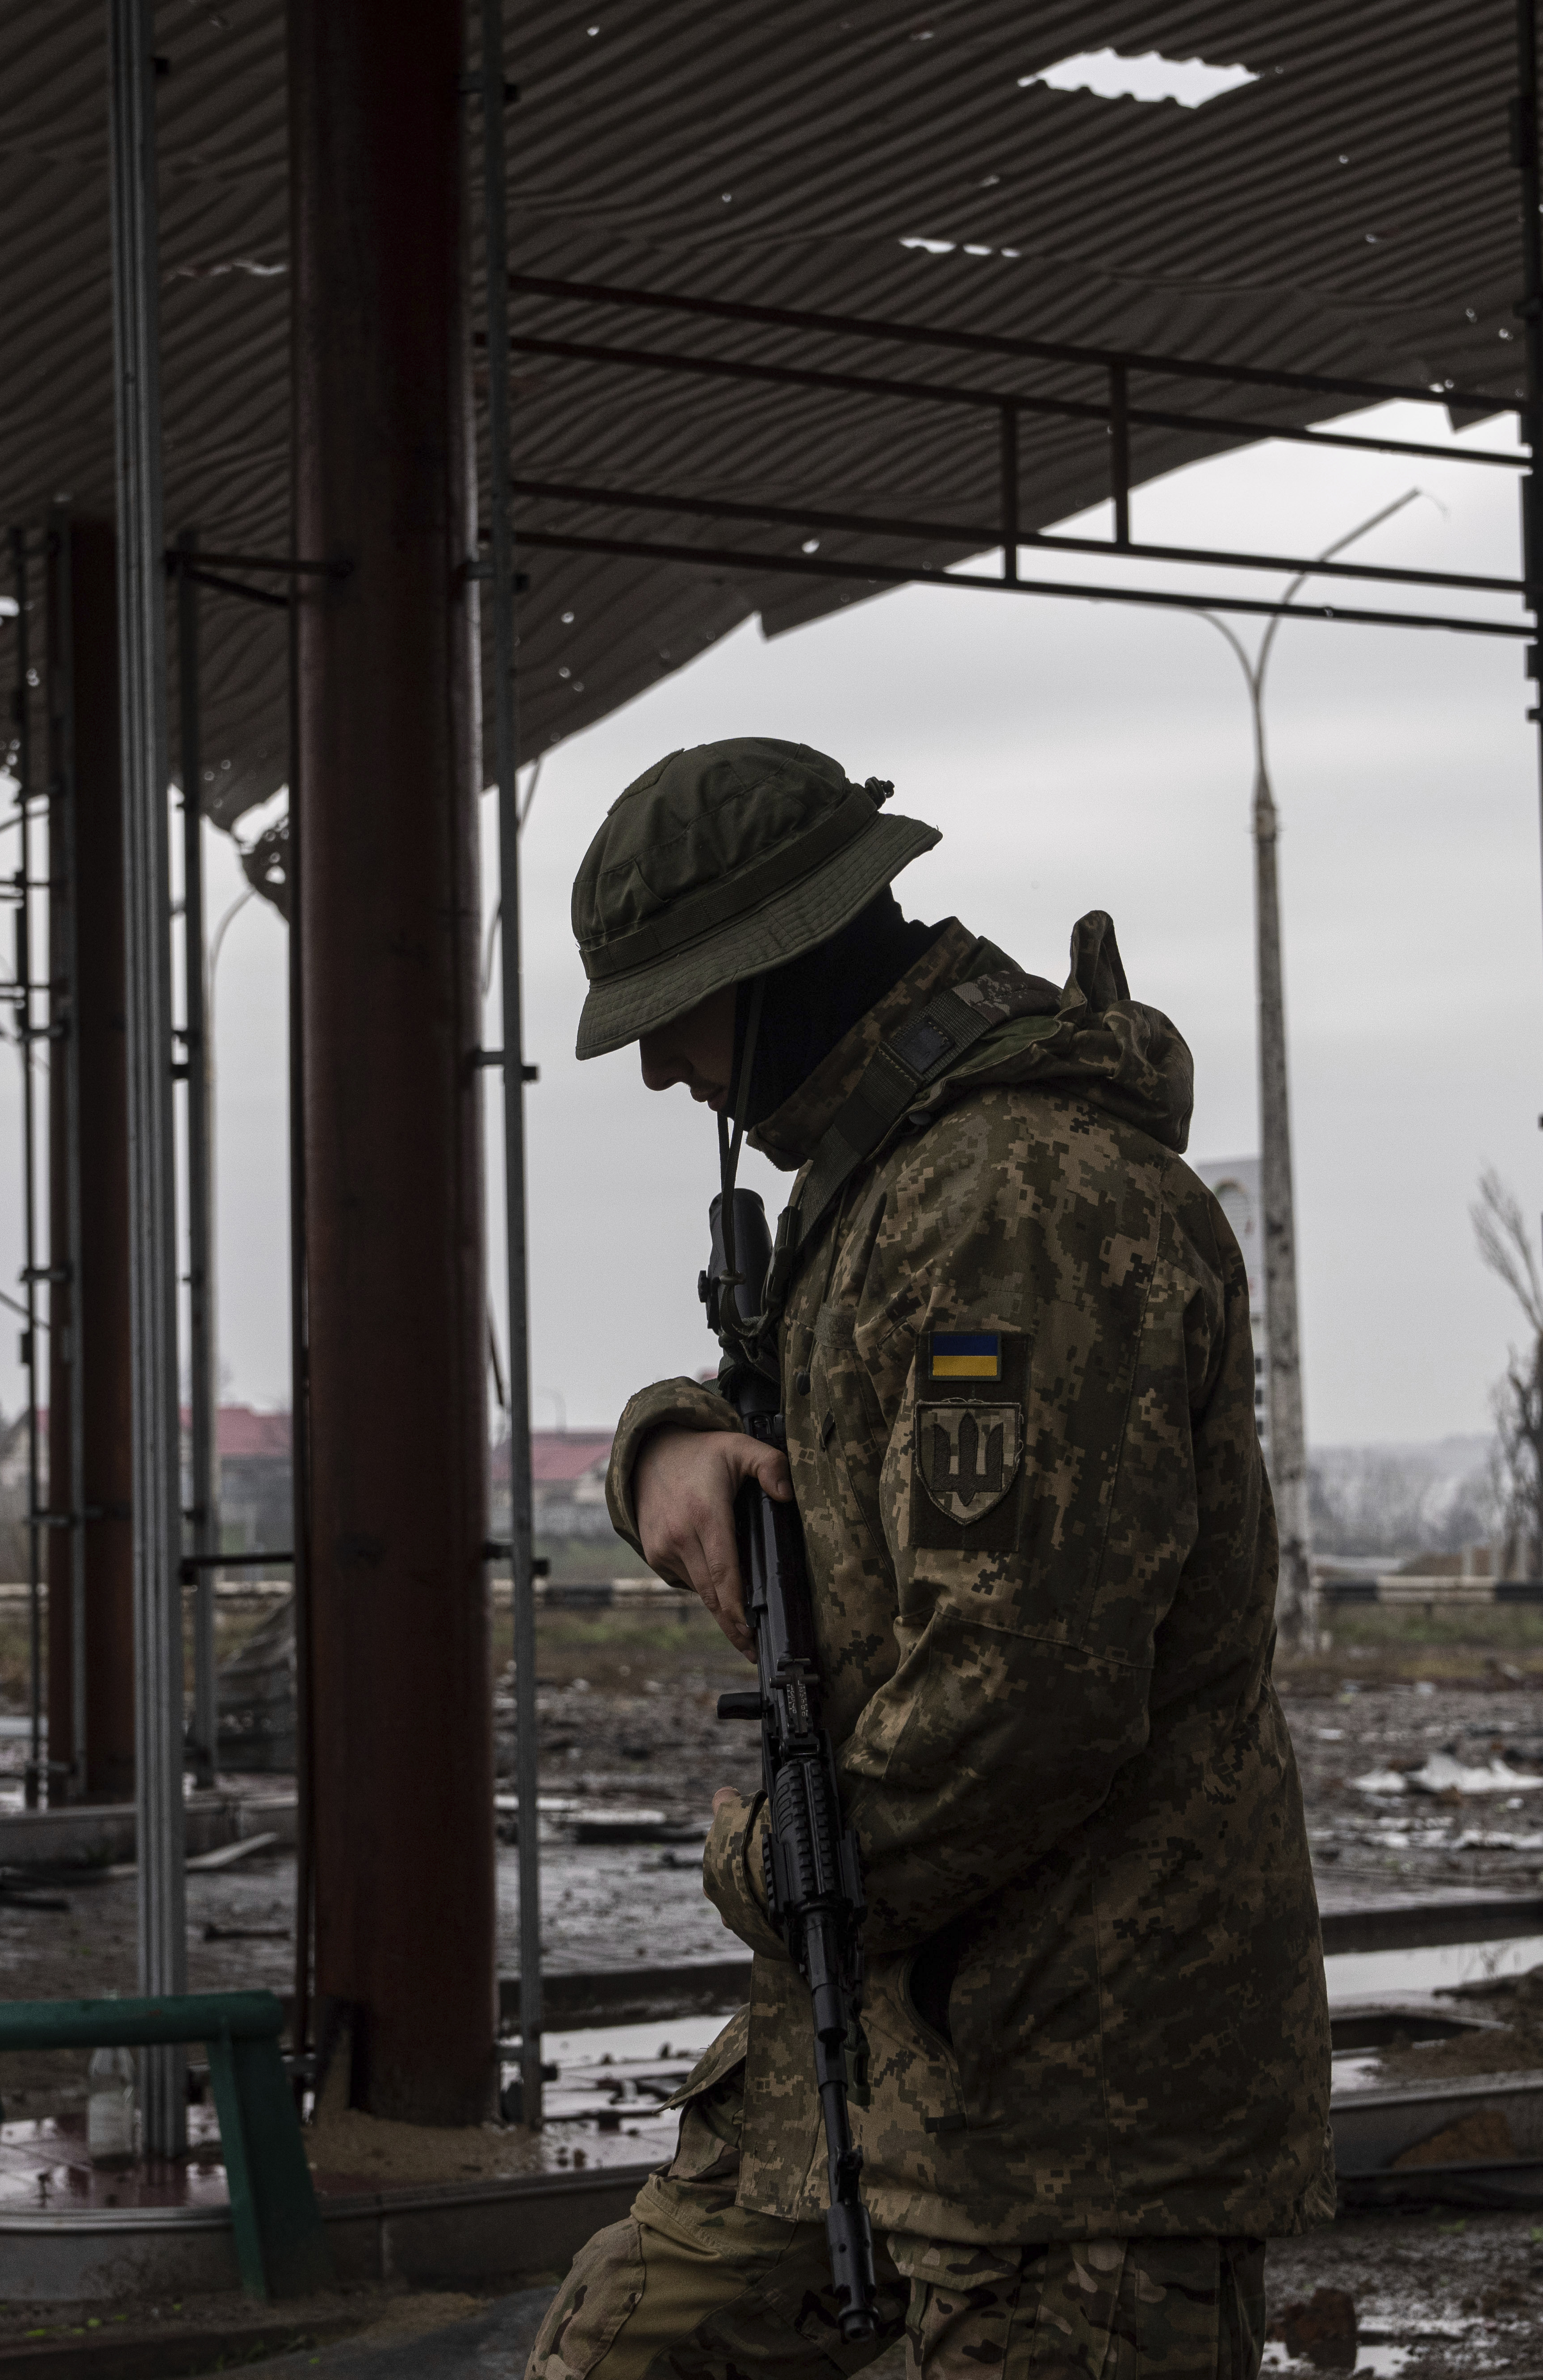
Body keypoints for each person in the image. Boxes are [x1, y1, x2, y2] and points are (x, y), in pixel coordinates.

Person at [527, 739, 1333, 2379]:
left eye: (671, 1011)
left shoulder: (1011, 1198)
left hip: (1071, 2092)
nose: (663, 1072)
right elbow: (808, 1444)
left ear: (769, 963)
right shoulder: (887, 1182)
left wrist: (761, 1867)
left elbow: (1016, 1696)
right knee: (624, 2347)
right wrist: (659, 1443)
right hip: (898, 2044)